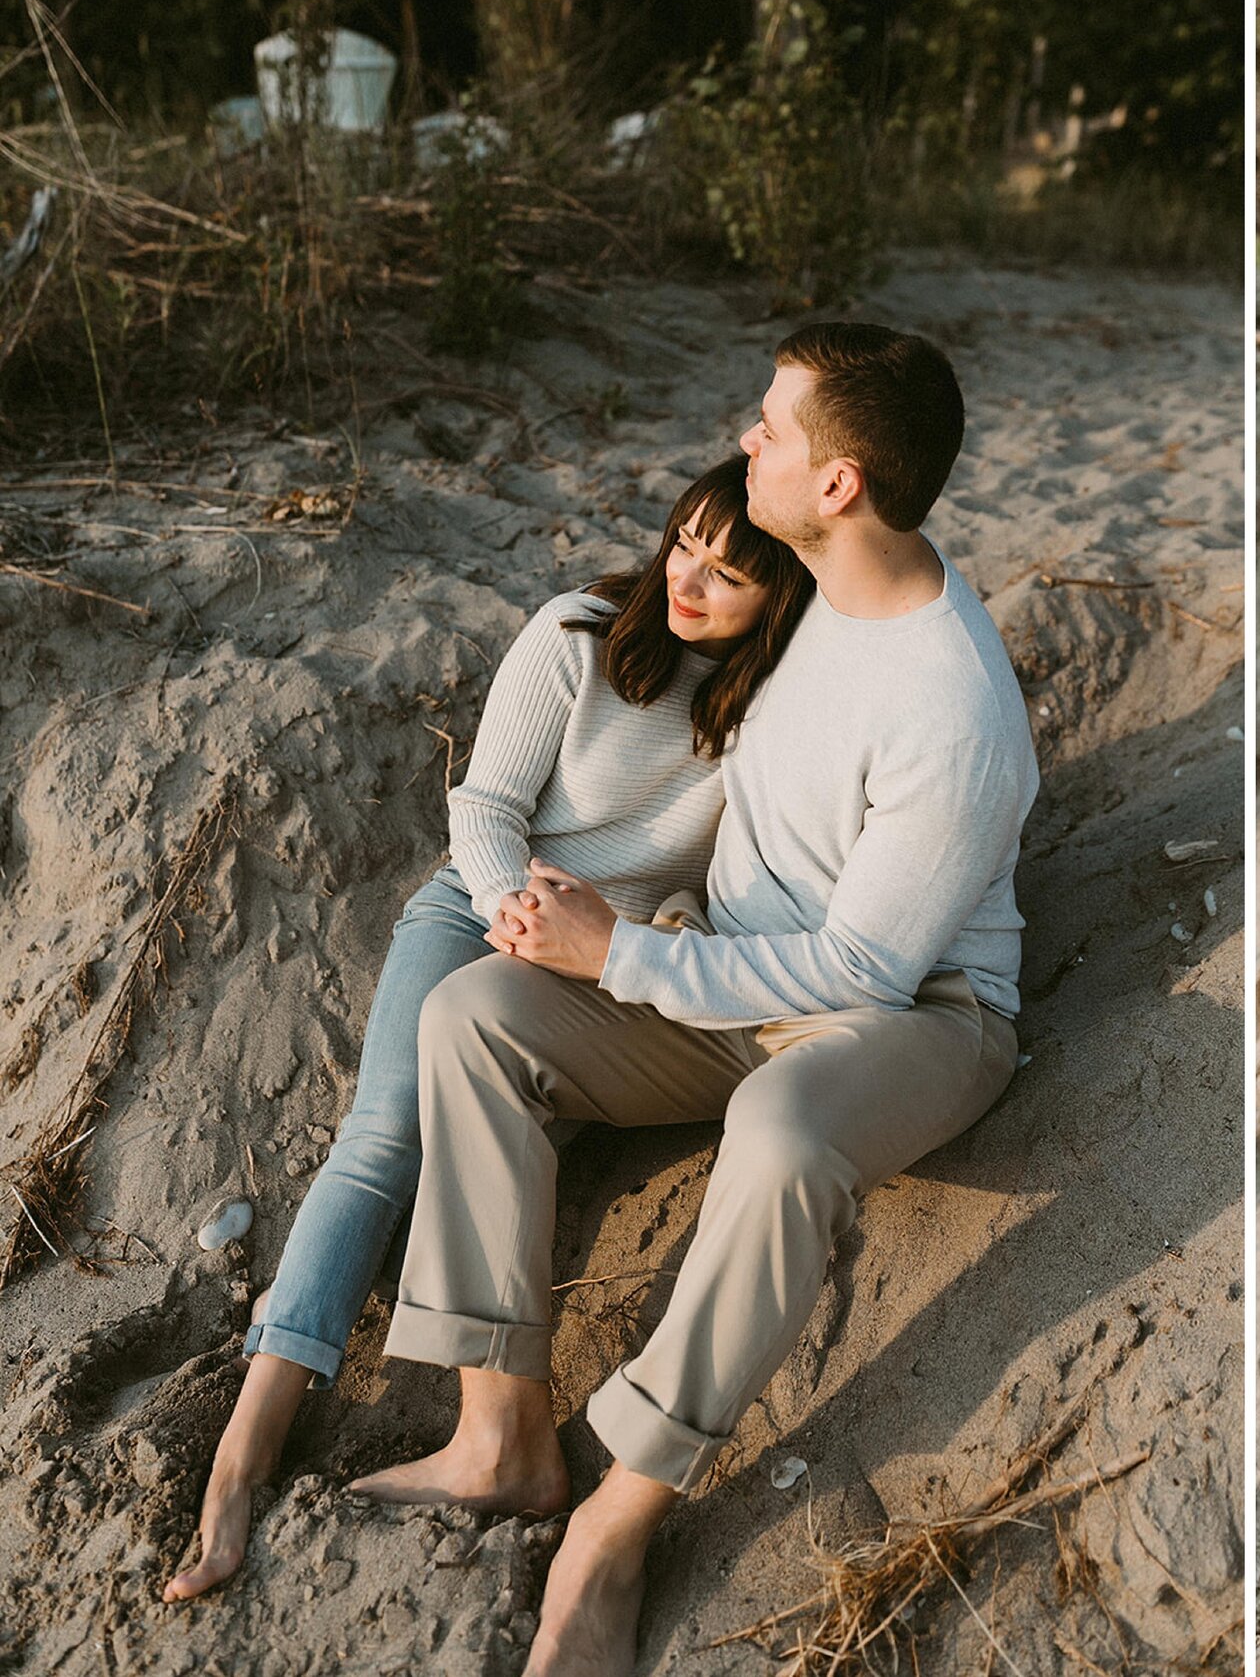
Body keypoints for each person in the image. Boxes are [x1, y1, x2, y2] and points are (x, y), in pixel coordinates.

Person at [348, 321, 1040, 1677]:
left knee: (782, 1124)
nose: (746, 437)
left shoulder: (957, 711)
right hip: (727, 961)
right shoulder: (821, 594)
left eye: (773, 427)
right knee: (471, 1017)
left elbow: (860, 975)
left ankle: (621, 1509)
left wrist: (624, 956)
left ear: (837, 486)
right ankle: (503, 1435)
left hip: (914, 1018)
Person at [163, 456, 811, 1602]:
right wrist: (519, 914)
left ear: (782, 596)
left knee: (501, 1103)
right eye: (685, 547)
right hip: (482, 906)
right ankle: (243, 1452)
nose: (689, 582)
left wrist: (629, 937)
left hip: (626, 951)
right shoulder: (579, 633)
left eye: (727, 575)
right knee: (382, 1138)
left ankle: (498, 1437)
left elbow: (729, 876)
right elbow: (485, 808)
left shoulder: (777, 708)